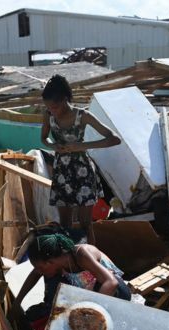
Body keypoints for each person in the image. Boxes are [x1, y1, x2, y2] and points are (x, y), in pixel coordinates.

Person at [40, 75, 120, 245]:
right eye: (48, 107)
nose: (52, 110)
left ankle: (92, 260)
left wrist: (82, 146)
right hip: (62, 171)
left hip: (83, 171)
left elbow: (114, 139)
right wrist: (53, 146)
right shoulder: (48, 116)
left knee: (85, 224)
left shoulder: (83, 116)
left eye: (55, 107)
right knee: (64, 224)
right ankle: (68, 260)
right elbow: (44, 139)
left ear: (64, 100)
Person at [14, 233, 130, 330]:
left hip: (112, 293)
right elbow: (34, 274)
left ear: (50, 261)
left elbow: (111, 282)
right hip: (87, 290)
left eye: (40, 267)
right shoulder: (57, 263)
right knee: (50, 307)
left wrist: (92, 315)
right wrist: (17, 301)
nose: (39, 271)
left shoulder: (81, 255)